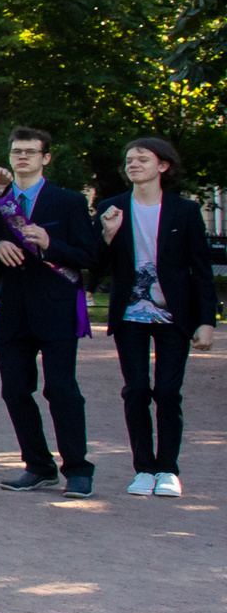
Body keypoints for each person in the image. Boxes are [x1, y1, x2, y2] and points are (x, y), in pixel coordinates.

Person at [0, 127, 98, 496]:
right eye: (17, 152)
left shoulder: (69, 202)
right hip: (13, 310)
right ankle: (38, 465)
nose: (23, 158)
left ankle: (77, 469)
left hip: (57, 308)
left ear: (46, 157)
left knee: (62, 389)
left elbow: (89, 257)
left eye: (31, 152)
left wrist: (50, 244)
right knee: (14, 390)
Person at [94, 136, 216, 498]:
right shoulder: (111, 207)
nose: (133, 164)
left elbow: (202, 270)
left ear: (163, 166)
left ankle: (168, 470)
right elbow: (94, 266)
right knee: (135, 392)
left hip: (174, 317)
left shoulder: (185, 211)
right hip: (129, 315)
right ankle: (143, 469)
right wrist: (108, 233)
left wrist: (207, 321)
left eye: (142, 159)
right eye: (129, 159)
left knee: (167, 392)